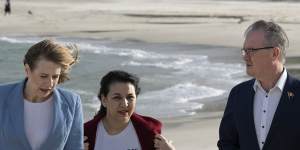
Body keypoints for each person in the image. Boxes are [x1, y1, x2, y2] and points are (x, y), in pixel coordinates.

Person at [218, 20, 300, 150]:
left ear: (274, 53)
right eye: (244, 51)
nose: (245, 57)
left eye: (251, 51)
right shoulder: (238, 94)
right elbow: (227, 142)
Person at [0, 39, 84, 149]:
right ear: (27, 70)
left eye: (55, 77)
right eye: (43, 76)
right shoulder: (2, 96)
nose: (50, 83)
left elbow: (75, 147)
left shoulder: (72, 102)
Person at [84, 70, 175, 150]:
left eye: (130, 97)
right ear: (104, 100)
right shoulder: (85, 135)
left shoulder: (149, 133)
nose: (125, 104)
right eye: (117, 98)